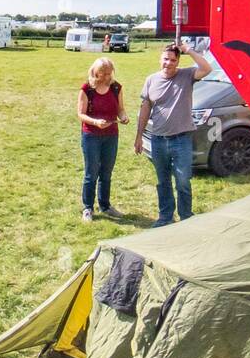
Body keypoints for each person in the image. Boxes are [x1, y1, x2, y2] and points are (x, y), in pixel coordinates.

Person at [138, 43, 209, 225]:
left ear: (178, 62)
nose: (168, 63)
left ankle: (186, 217)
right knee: (163, 181)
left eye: (173, 60)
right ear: (160, 59)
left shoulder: (186, 75)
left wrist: (189, 50)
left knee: (183, 180)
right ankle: (165, 217)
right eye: (165, 59)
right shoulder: (151, 80)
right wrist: (139, 136)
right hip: (158, 139)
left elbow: (206, 68)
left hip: (181, 139)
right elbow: (145, 108)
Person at [78, 57, 126, 221]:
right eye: (102, 74)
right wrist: (95, 122)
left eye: (109, 73)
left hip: (111, 135)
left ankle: (105, 205)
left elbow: (120, 109)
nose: (106, 77)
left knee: (106, 172)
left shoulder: (116, 88)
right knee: (91, 173)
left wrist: (124, 117)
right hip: (91, 135)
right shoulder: (87, 89)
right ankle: (87, 208)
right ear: (94, 72)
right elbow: (80, 114)